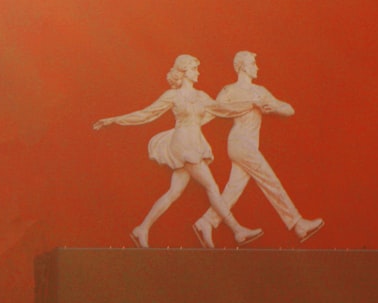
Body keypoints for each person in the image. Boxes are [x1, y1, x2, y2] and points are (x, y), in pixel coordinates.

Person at [93, 54, 263, 248]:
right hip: (183, 144)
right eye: (194, 68)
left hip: (195, 143)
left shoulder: (201, 96)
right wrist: (114, 120)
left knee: (173, 192)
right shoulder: (172, 96)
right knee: (211, 187)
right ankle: (236, 230)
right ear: (183, 71)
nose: (198, 72)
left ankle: (142, 227)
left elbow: (226, 109)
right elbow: (146, 114)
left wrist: (250, 104)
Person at [191, 51, 323, 248]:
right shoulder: (230, 90)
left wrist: (274, 109)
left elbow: (289, 109)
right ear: (243, 66)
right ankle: (297, 223)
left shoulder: (260, 91)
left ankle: (207, 222)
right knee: (269, 180)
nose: (257, 67)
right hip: (239, 142)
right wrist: (249, 103)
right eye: (253, 64)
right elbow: (217, 108)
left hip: (248, 145)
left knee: (233, 188)